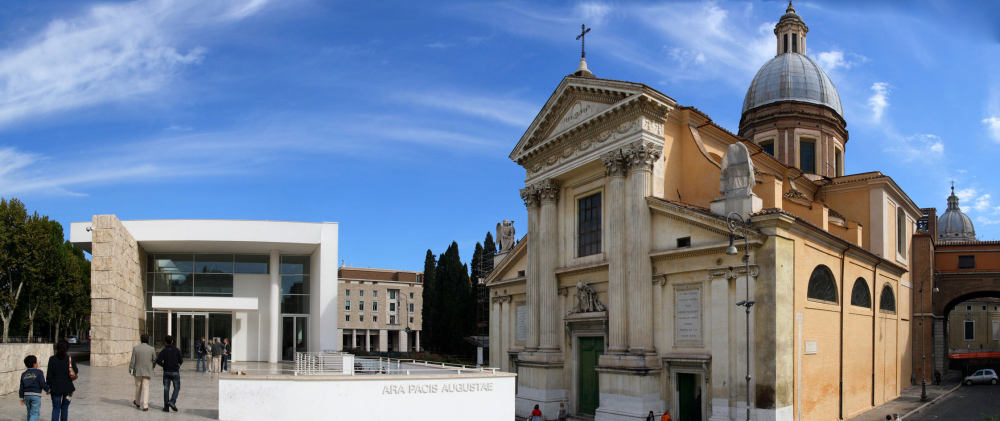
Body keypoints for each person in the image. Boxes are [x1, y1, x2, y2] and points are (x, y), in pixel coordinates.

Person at [47, 340, 78, 421]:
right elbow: (76, 371)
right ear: (67, 348)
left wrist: (48, 387)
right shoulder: (70, 359)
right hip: (68, 388)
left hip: (55, 388)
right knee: (65, 408)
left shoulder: (52, 359)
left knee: (56, 408)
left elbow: (49, 375)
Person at [156, 335, 183, 412]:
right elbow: (181, 360)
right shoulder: (177, 350)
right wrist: (177, 366)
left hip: (166, 371)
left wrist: (164, 365)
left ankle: (166, 407)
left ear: (165, 342)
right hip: (175, 371)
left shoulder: (164, 351)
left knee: (166, 389)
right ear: (172, 341)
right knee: (177, 387)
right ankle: (172, 401)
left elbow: (158, 360)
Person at [129, 334, 156, 411]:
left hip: (138, 371)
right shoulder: (152, 349)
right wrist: (152, 367)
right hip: (147, 371)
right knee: (146, 388)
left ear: (141, 339)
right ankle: (145, 405)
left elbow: (132, 361)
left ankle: (137, 402)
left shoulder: (136, 348)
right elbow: (154, 360)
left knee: (138, 387)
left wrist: (131, 370)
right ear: (148, 340)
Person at [19, 355, 48, 421]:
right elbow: (42, 383)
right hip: (36, 395)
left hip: (26, 396)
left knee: (29, 413)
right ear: (35, 364)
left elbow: (21, 387)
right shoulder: (39, 372)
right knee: (35, 413)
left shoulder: (23, 374)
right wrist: (48, 390)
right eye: (37, 362)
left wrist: (21, 398)